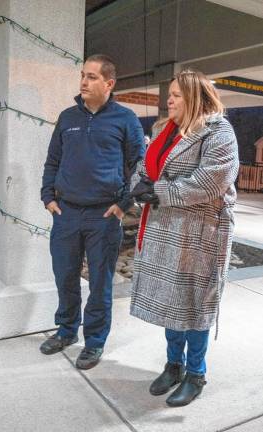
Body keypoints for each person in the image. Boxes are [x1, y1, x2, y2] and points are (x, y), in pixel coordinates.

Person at [130, 69, 239, 406]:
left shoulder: (218, 132)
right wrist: (141, 186)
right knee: (170, 300)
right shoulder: (166, 130)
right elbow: (145, 165)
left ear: (194, 97)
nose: (169, 99)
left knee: (194, 304)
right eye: (170, 94)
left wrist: (157, 191)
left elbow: (209, 183)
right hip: (166, 230)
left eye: (176, 94)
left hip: (199, 234)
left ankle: (196, 373)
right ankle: (173, 365)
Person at [40, 54, 145, 369]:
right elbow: (52, 161)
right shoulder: (68, 117)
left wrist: (124, 204)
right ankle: (67, 330)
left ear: (109, 83)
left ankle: (95, 341)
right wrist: (48, 197)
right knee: (65, 276)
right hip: (66, 213)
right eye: (82, 75)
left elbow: (139, 166)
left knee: (100, 281)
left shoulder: (125, 119)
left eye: (92, 77)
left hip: (103, 216)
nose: (84, 82)